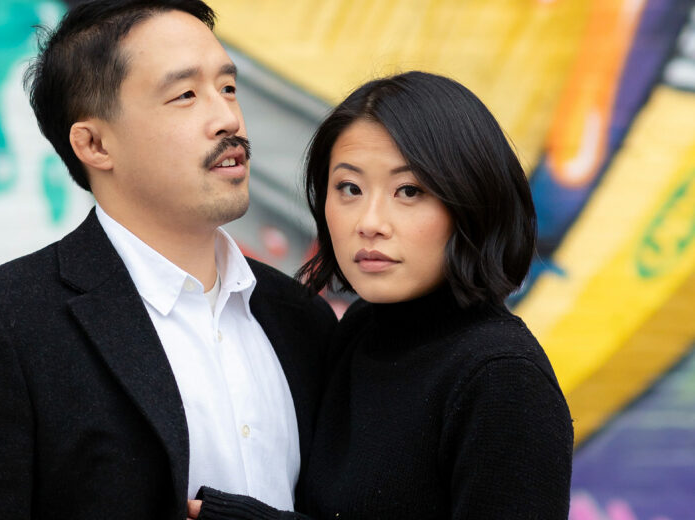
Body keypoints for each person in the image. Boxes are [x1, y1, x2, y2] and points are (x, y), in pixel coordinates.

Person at [0, 1, 336, 518]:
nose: (227, 119)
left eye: (228, 87)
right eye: (186, 94)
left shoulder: (302, 319)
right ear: (95, 144)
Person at [190, 72, 574, 519]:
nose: (369, 223)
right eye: (349, 189)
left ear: (472, 201)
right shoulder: (360, 331)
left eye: (408, 191)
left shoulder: (502, 378)